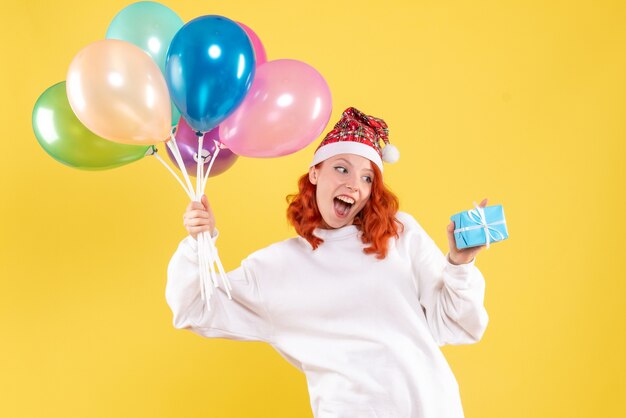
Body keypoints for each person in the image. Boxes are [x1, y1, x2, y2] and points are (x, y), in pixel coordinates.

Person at [166, 107, 490, 418]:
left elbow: (456, 325)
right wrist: (199, 243)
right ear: (315, 172)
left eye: (367, 178)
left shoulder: (399, 233)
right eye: (342, 168)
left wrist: (460, 263)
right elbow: (194, 309)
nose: (354, 185)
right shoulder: (276, 267)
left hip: (433, 408)